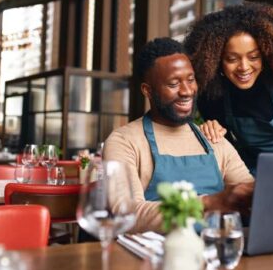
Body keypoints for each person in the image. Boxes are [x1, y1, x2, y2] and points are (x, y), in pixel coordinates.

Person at [103, 37, 254, 233]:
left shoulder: (213, 138)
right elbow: (126, 213)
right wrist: (209, 203)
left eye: (190, 80)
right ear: (147, 91)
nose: (186, 91)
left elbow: (249, 194)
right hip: (155, 258)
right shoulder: (124, 141)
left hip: (218, 251)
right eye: (174, 84)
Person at [184, 2, 273, 175]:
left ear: (266, 54)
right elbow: (227, 154)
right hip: (250, 166)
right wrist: (212, 135)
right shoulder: (211, 93)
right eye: (232, 59)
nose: (244, 67)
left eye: (254, 57)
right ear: (216, 61)